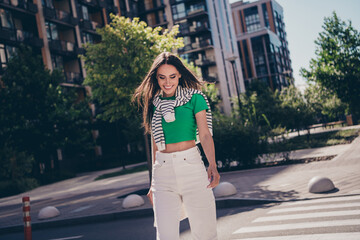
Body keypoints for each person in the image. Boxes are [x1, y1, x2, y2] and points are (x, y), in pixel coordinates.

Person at [133, 52, 220, 240]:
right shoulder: (154, 103)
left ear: (180, 74)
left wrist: (212, 164)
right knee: (165, 236)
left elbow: (204, 135)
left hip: (192, 168)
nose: (167, 82)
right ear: (156, 78)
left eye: (172, 76)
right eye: (162, 77)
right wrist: (153, 182)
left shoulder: (195, 98)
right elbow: (155, 141)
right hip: (163, 173)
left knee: (206, 233)